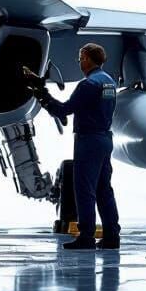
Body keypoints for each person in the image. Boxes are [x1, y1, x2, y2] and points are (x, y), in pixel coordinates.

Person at [27, 43, 120, 251]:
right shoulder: (109, 82)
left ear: (87, 58)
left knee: (84, 190)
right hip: (105, 139)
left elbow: (64, 109)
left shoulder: (88, 85)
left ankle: (86, 237)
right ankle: (112, 236)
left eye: (80, 58)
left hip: (88, 141)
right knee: (104, 189)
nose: (79, 62)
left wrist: (42, 95)